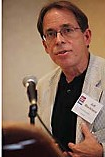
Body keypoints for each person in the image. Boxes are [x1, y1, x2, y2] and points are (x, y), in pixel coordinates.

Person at [36, 1, 105, 156]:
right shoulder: (43, 85)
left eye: (67, 30)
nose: (59, 40)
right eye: (51, 34)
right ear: (45, 46)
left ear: (86, 37)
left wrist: (101, 151)